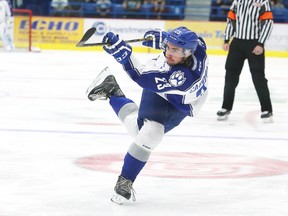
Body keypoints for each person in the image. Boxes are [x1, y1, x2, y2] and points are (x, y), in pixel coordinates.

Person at [86, 26, 209, 204]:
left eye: (175, 50)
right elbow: (149, 73)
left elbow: (140, 76)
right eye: (168, 47)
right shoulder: (197, 45)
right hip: (163, 92)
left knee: (139, 132)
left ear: (189, 52)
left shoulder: (183, 78)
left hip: (181, 102)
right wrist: (164, 39)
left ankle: (112, 91)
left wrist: (124, 57)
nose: (168, 52)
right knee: (151, 134)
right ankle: (125, 181)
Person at [216, 0, 274, 122]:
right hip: (237, 43)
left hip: (254, 43)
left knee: (258, 78)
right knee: (230, 76)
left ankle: (267, 110)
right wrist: (227, 39)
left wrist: (260, 43)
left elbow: (268, 23)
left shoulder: (262, 2)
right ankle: (226, 107)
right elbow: (231, 20)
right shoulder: (237, 2)